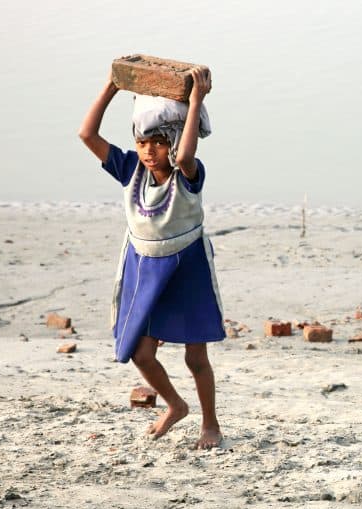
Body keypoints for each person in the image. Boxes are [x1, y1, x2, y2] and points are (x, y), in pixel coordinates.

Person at [78, 67, 225, 449]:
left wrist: (196, 102)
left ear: (173, 142)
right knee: (141, 354)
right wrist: (112, 85)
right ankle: (176, 405)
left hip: (186, 269)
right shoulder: (130, 170)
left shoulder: (187, 175)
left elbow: (187, 153)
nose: (148, 151)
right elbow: (87, 135)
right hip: (144, 267)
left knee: (196, 358)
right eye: (142, 142)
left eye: (158, 143)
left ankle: (211, 424)